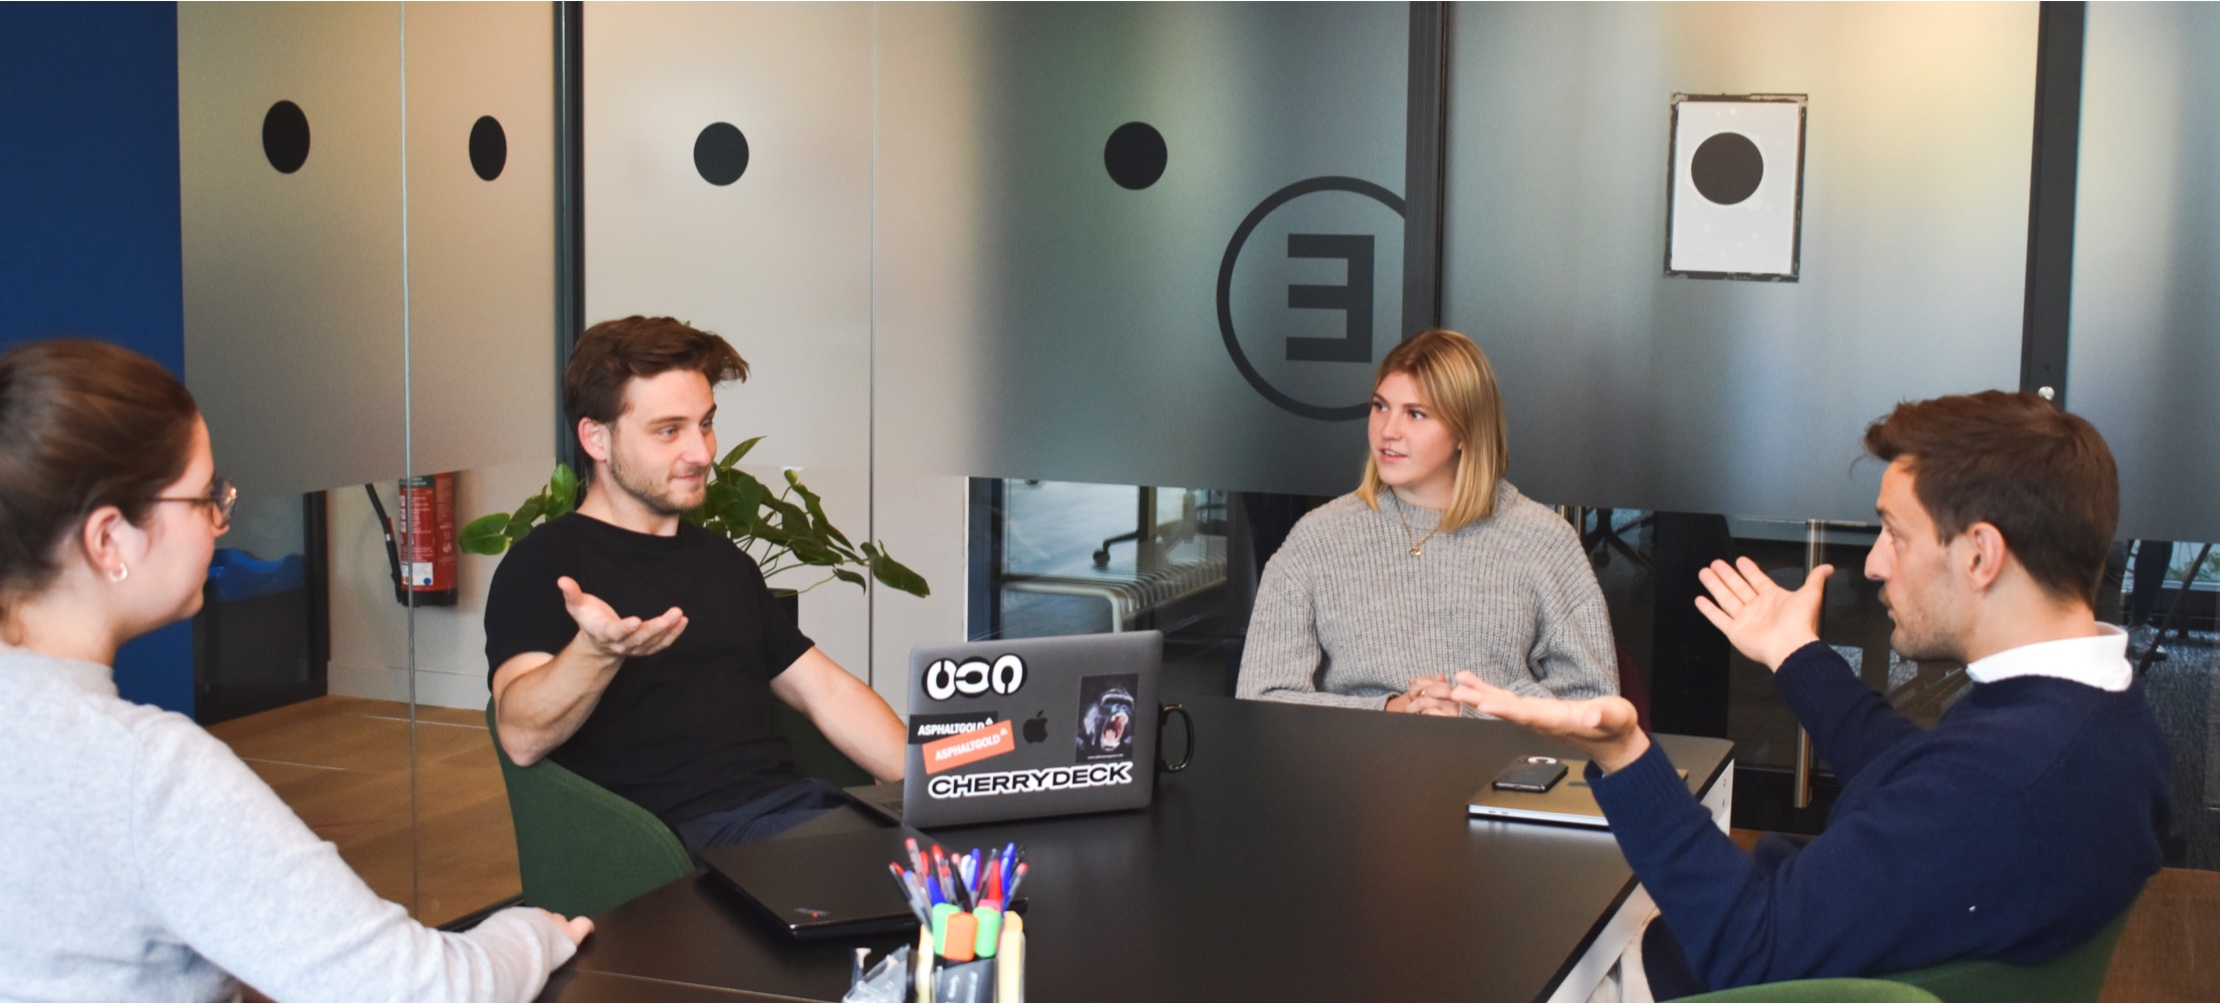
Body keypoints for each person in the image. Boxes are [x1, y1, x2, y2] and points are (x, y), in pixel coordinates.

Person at [1454, 390, 2169, 996]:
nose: (1876, 564)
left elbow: (1748, 950)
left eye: (1894, 533)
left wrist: (1625, 755)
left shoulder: (2003, 783)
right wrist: (1794, 652)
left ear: (1980, 554)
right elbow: (1915, 777)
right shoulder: (2100, 715)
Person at [0, 339, 587, 1002]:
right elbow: (418, 992)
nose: (221, 522)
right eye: (205, 497)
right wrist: (533, 932)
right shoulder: (146, 774)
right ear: (109, 539)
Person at [486, 316, 905, 857]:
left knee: (975, 860)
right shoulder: (545, 564)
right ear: (596, 438)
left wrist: (943, 787)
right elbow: (520, 737)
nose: (702, 453)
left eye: (705, 424)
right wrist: (596, 652)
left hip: (793, 818)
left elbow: (827, 692)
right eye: (669, 431)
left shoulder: (724, 564)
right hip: (677, 853)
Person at [1236, 329, 1617, 714]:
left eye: (1415, 414)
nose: (1388, 431)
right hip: (1358, 753)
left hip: (1493, 754)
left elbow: (1594, 703)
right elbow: (1261, 697)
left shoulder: (1544, 540)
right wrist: (1389, 712)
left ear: (1465, 432)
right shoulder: (1317, 538)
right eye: (1380, 406)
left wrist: (1471, 714)